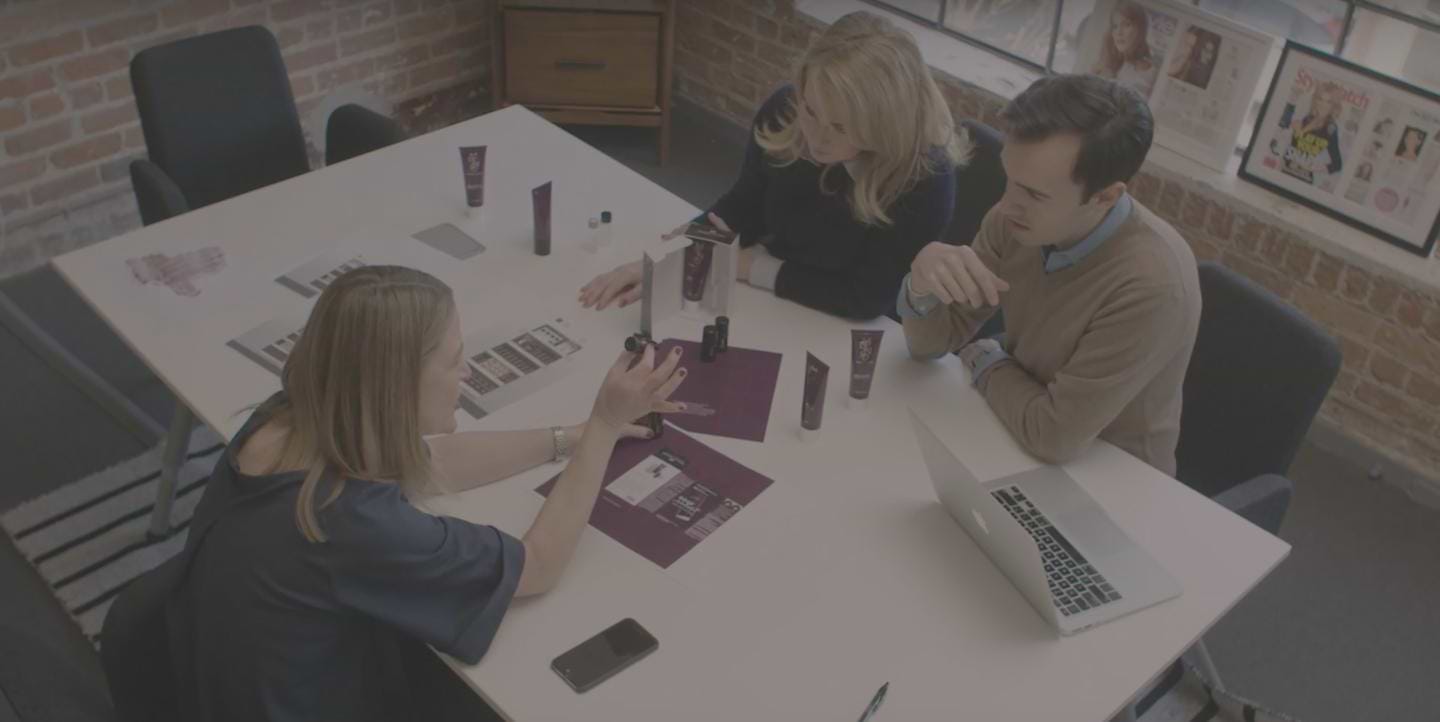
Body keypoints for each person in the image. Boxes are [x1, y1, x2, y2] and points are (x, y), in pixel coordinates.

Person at [169, 266, 687, 720]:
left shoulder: (289, 416)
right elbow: (538, 565)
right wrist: (602, 425)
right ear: (397, 384)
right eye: (453, 360)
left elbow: (426, 462)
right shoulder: (354, 523)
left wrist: (568, 439)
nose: (466, 372)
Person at [899, 74, 1201, 476]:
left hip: (1114, 482)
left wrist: (988, 358)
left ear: (1106, 196)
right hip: (1012, 432)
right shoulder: (1016, 221)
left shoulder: (1155, 285)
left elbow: (1055, 435)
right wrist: (922, 289)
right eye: (1010, 179)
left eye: (1034, 194)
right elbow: (932, 345)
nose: (1006, 206)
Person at [578, 11, 968, 320]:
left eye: (840, 127)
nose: (816, 138)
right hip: (773, 295)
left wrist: (747, 267)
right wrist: (674, 261)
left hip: (840, 326)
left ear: (885, 125)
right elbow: (743, 205)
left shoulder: (925, 178)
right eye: (812, 111)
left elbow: (864, 297)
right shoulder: (786, 108)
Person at [1091, 2, 1159, 97]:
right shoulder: (1103, 65)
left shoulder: (1153, 74)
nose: (1119, 32)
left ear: (1140, 29)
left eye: (1126, 24)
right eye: (1115, 26)